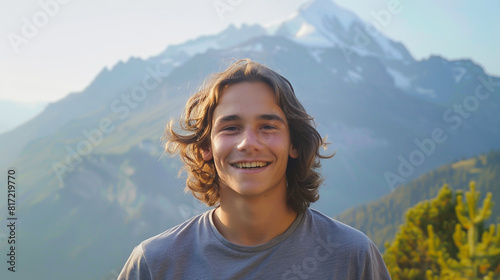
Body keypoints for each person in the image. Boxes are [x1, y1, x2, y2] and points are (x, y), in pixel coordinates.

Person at [118, 59, 391, 279]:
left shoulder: (352, 257)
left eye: (268, 127)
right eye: (231, 128)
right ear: (206, 147)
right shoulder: (154, 265)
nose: (249, 143)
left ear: (294, 144)